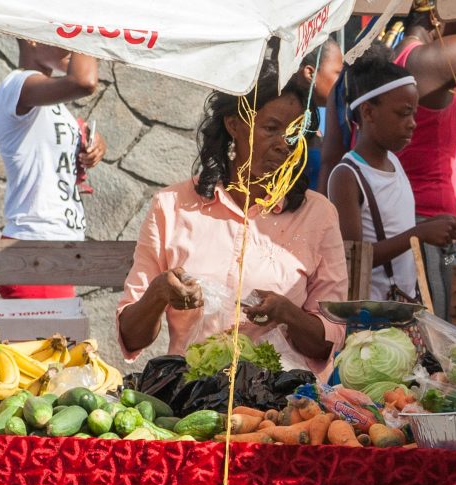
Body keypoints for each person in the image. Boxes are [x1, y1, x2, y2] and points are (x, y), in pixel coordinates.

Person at [117, 63, 348, 376]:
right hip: (190, 395)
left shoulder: (317, 215)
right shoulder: (172, 206)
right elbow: (131, 337)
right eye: (271, 128)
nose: (284, 144)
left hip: (281, 403)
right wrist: (158, 293)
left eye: (295, 134)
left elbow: (329, 341)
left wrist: (286, 313)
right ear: (234, 125)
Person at [320, 2, 456, 318]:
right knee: (426, 335)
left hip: (424, 232)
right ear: (437, 13)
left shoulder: (384, 76)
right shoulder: (421, 64)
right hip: (415, 237)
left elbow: (331, 156)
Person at [327, 45, 456, 301]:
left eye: (414, 113)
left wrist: (432, 225)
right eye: (403, 113)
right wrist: (418, 234)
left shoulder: (393, 161)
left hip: (403, 305)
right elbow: (352, 258)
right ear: (368, 112)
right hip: (371, 317)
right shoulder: (347, 175)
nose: (412, 122)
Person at [0, 41, 107, 299]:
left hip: (56, 248)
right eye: (63, 38)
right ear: (32, 39)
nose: (70, 49)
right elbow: (84, 81)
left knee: (58, 340)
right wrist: (84, 26)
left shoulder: (56, 106)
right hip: (35, 249)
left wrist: (96, 144)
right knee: (44, 340)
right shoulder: (17, 84)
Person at [298, 37, 343, 192]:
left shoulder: (316, 119)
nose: (342, 81)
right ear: (310, 73)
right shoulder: (289, 126)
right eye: (338, 73)